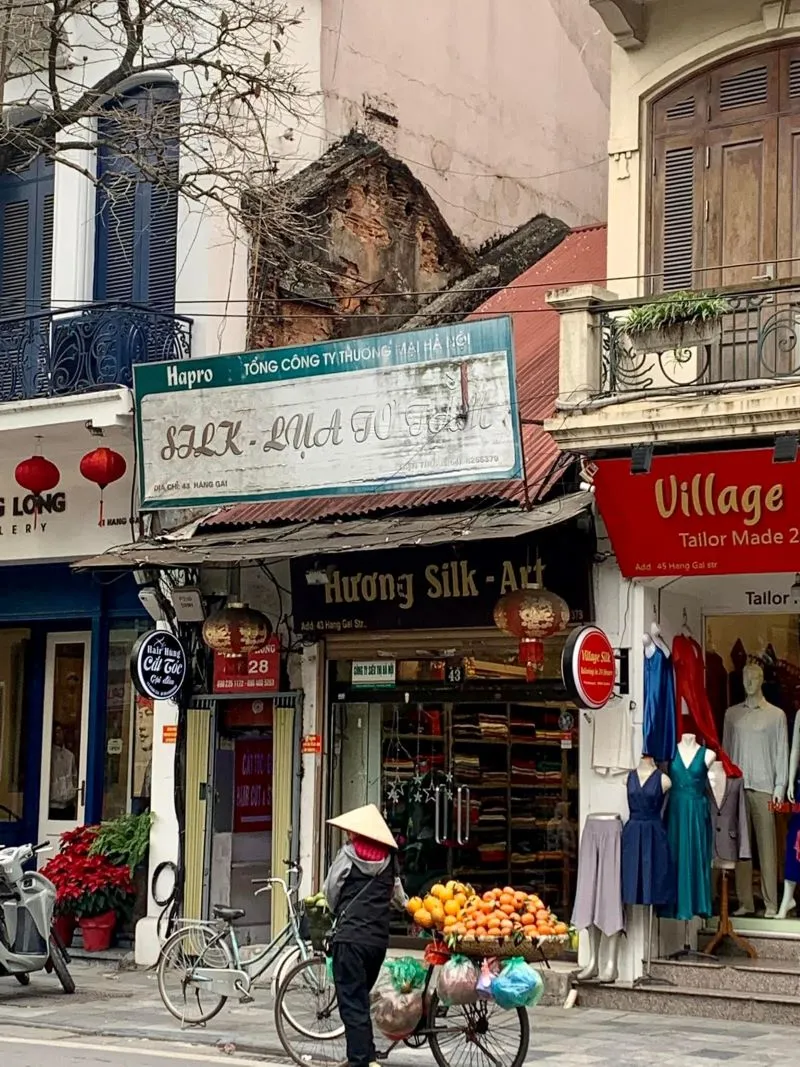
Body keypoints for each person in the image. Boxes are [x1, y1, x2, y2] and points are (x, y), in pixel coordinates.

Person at [324, 804, 408, 1067]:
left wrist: (334, 910)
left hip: (350, 938)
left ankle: (359, 1060)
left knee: (352, 1001)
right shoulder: (390, 861)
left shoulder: (348, 855)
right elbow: (398, 898)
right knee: (359, 998)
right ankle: (368, 1056)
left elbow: (331, 889)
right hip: (377, 942)